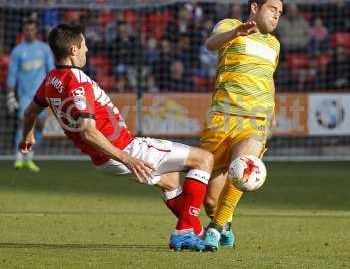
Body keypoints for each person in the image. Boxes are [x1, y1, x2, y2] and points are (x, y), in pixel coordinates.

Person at [18, 23, 213, 251]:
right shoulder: (77, 82)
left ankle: (195, 230)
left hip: (103, 159)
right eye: (84, 45)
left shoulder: (51, 80)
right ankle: (185, 231)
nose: (87, 50)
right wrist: (127, 158)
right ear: (73, 50)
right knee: (203, 159)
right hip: (124, 149)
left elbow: (30, 111)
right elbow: (88, 131)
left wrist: (28, 134)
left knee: (170, 180)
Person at [199, 0, 283, 251]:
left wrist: (273, 113)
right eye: (272, 9)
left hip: (256, 119)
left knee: (245, 168)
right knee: (211, 201)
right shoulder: (229, 25)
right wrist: (234, 33)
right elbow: (210, 44)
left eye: (280, 12)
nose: (277, 16)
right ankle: (223, 221)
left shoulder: (274, 44)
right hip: (222, 118)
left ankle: (213, 229)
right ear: (255, 8)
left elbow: (269, 79)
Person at [6, 19, 54, 172]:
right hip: (25, 95)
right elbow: (12, 75)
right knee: (23, 123)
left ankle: (30, 157)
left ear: (36, 31)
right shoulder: (18, 51)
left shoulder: (44, 49)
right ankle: (19, 157)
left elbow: (51, 71)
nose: (29, 32)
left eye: (32, 29)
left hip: (42, 95)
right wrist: (10, 96)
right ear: (23, 31)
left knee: (39, 127)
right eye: (26, 29)